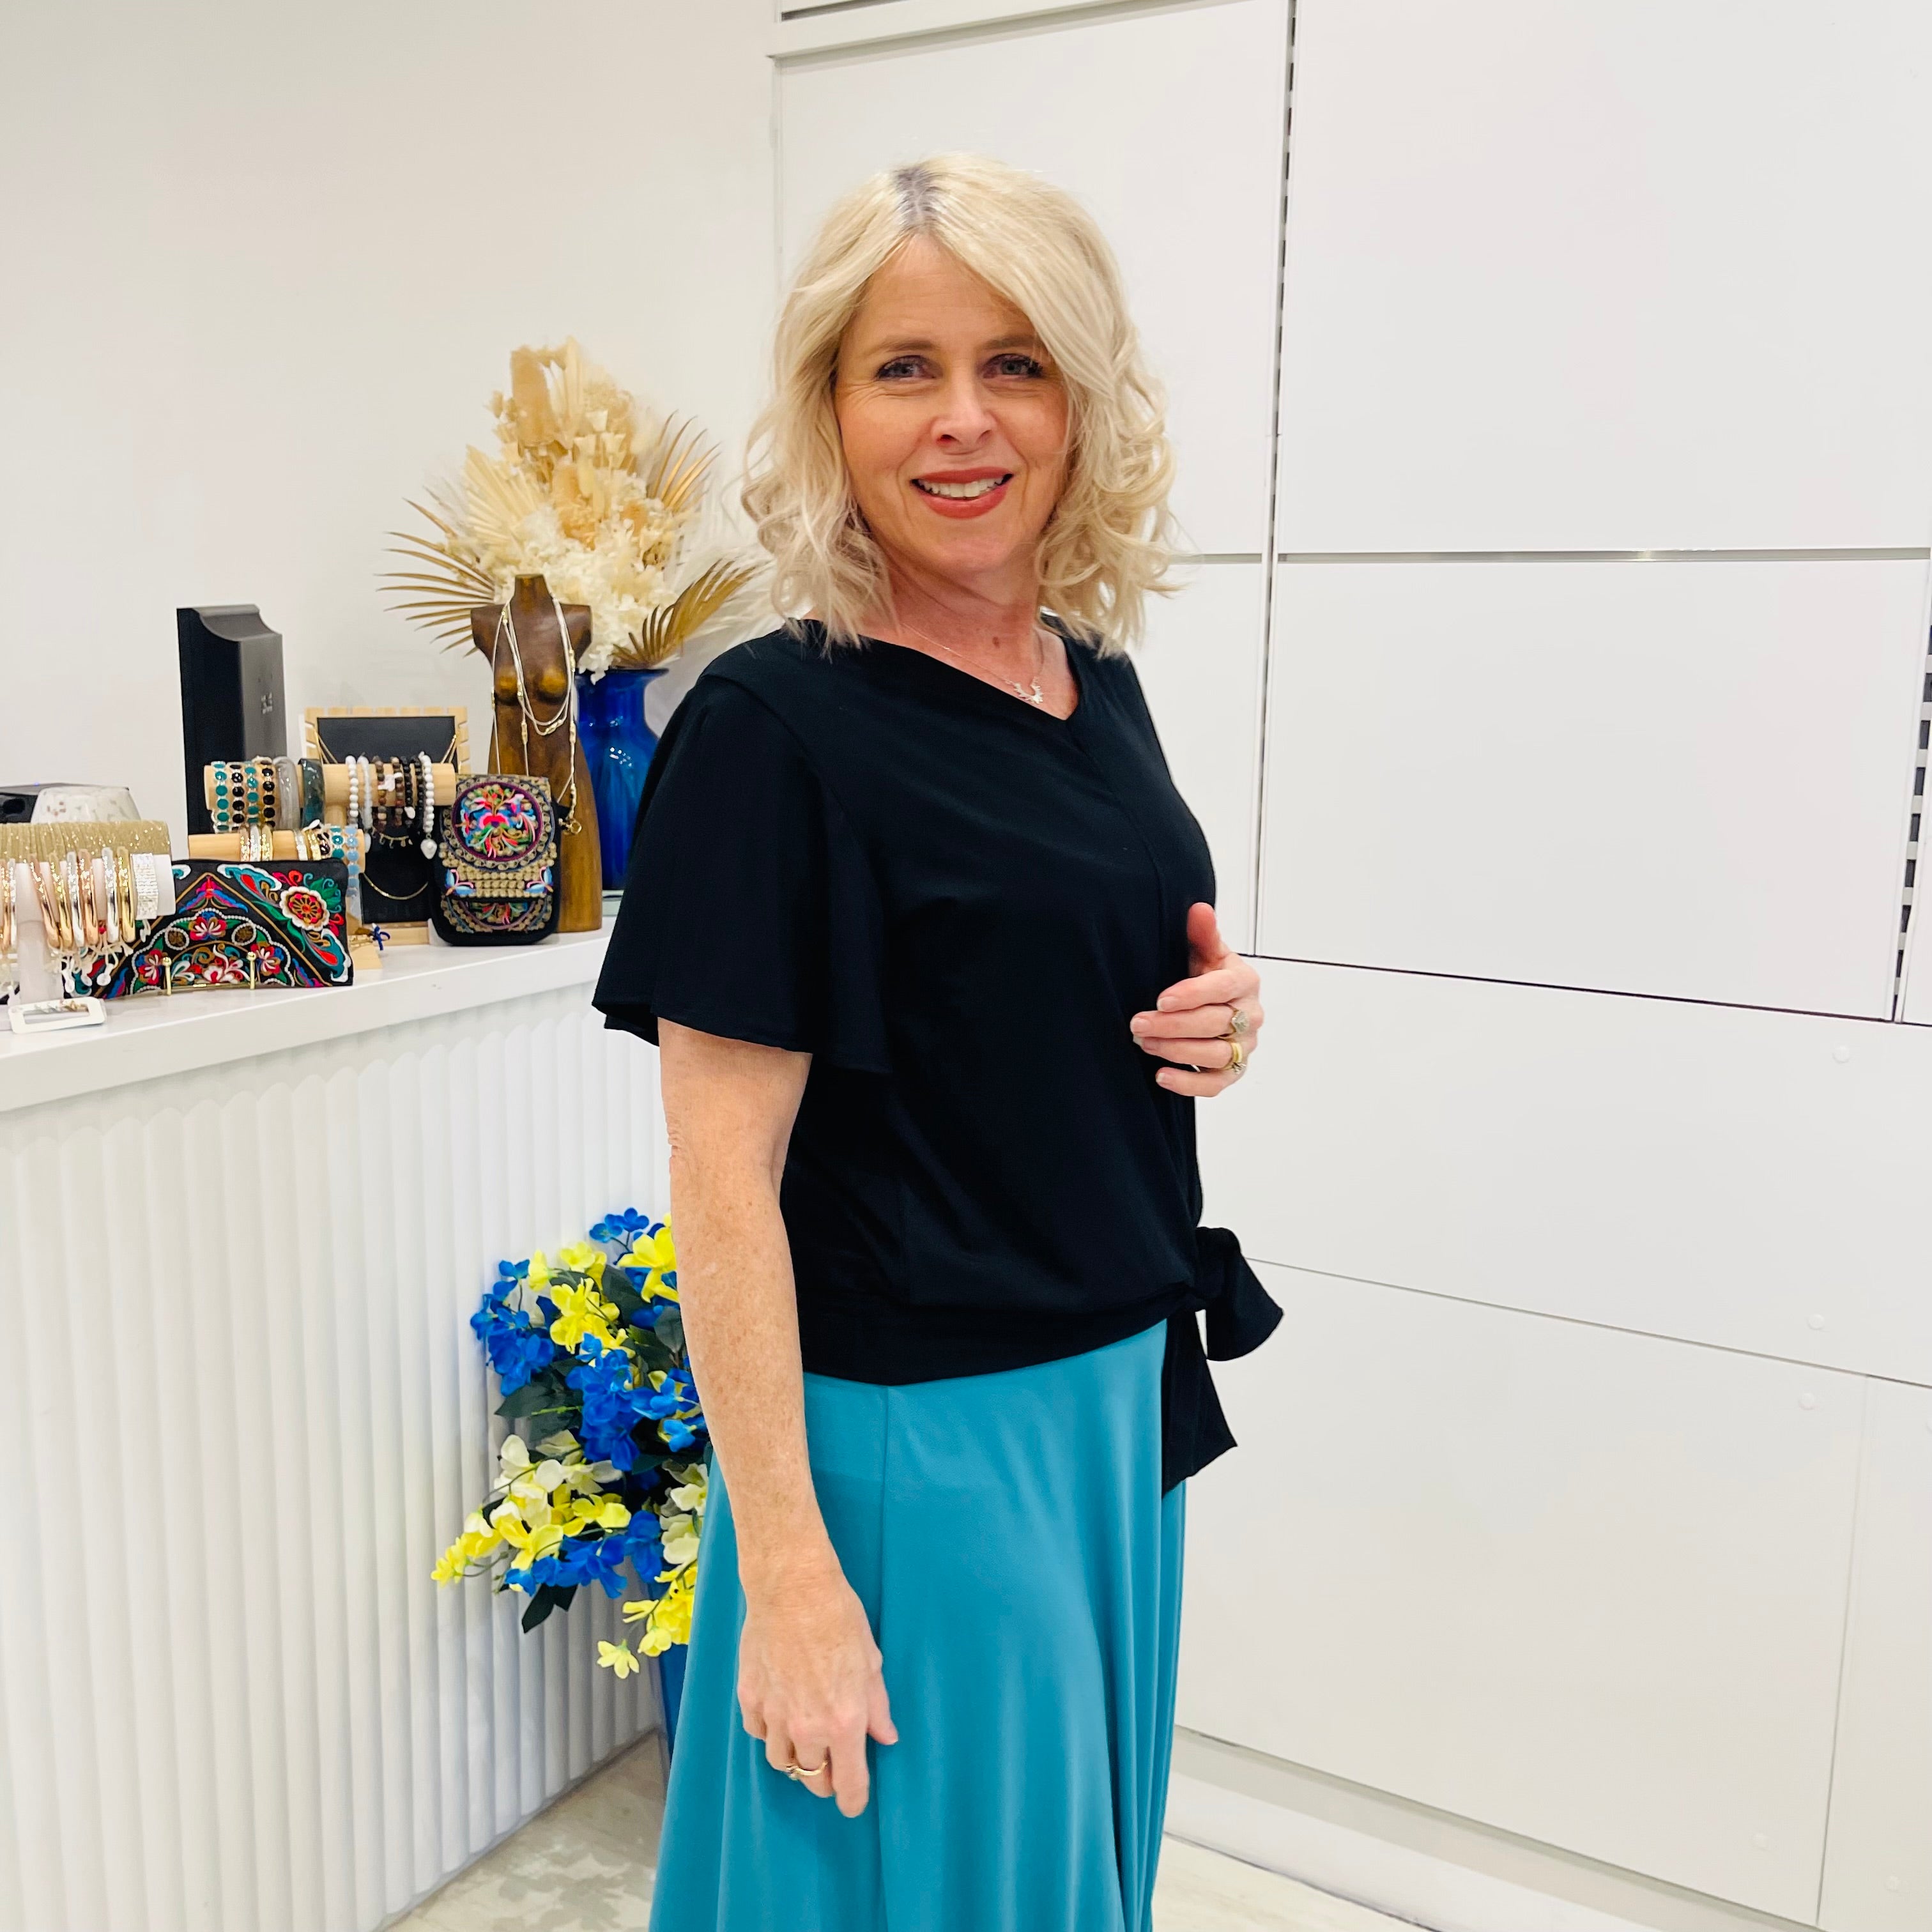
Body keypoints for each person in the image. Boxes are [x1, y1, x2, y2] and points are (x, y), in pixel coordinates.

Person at [594, 151, 1281, 1932]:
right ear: (831, 406)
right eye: (905, 367)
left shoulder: (1090, 676)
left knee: (1066, 1884)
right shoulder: (774, 728)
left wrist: (1213, 1021)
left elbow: (1033, 985)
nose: (963, 420)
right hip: (914, 1450)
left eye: (1016, 363)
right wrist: (797, 1574)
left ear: (1084, 400)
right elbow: (722, 1181)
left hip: (1106, 1409)